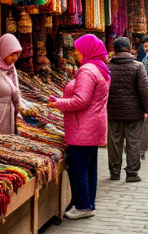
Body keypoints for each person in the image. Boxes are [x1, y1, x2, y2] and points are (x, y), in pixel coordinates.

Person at [47, 34, 111, 220]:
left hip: (83, 126)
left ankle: (82, 206)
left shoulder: (87, 71)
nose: (75, 53)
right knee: (89, 167)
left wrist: (58, 103)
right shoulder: (100, 68)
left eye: (77, 49)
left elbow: (81, 100)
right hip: (93, 124)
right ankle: (89, 204)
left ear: (87, 50)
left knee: (77, 167)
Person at [106, 37, 148, 182]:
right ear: (130, 48)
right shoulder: (138, 66)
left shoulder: (108, 66)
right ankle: (132, 173)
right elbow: (144, 90)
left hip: (113, 111)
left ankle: (114, 172)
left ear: (115, 49)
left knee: (114, 142)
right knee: (133, 142)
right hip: (134, 113)